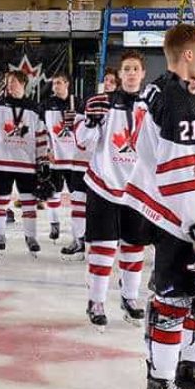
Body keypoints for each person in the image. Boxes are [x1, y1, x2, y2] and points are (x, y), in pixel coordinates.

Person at [124, 24, 195, 389]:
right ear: (187, 56)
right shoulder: (179, 102)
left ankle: (187, 368)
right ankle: (161, 384)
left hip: (179, 207)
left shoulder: (169, 90)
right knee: (173, 297)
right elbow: (176, 172)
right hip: (177, 215)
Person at [77, 50, 150, 328]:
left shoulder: (151, 106)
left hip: (137, 188)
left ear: (142, 74)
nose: (131, 73)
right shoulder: (102, 103)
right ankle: (96, 300)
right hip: (104, 185)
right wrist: (92, 121)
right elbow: (84, 142)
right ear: (119, 75)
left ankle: (130, 297)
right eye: (126, 69)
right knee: (104, 246)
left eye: (136, 69)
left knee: (134, 246)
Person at [0, 70, 49, 256]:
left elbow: (41, 136)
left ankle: (31, 237)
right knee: (0, 202)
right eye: (8, 82)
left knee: (29, 202)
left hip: (26, 163)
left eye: (14, 82)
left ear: (24, 84)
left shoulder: (34, 108)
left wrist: (43, 160)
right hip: (2, 162)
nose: (10, 85)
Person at [40, 74, 87, 254]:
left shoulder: (79, 103)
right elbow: (42, 129)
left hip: (75, 160)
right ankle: (54, 223)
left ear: (67, 84)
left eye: (59, 83)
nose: (55, 86)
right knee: (53, 193)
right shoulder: (46, 104)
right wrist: (46, 151)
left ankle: (79, 236)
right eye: (54, 83)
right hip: (56, 159)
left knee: (78, 198)